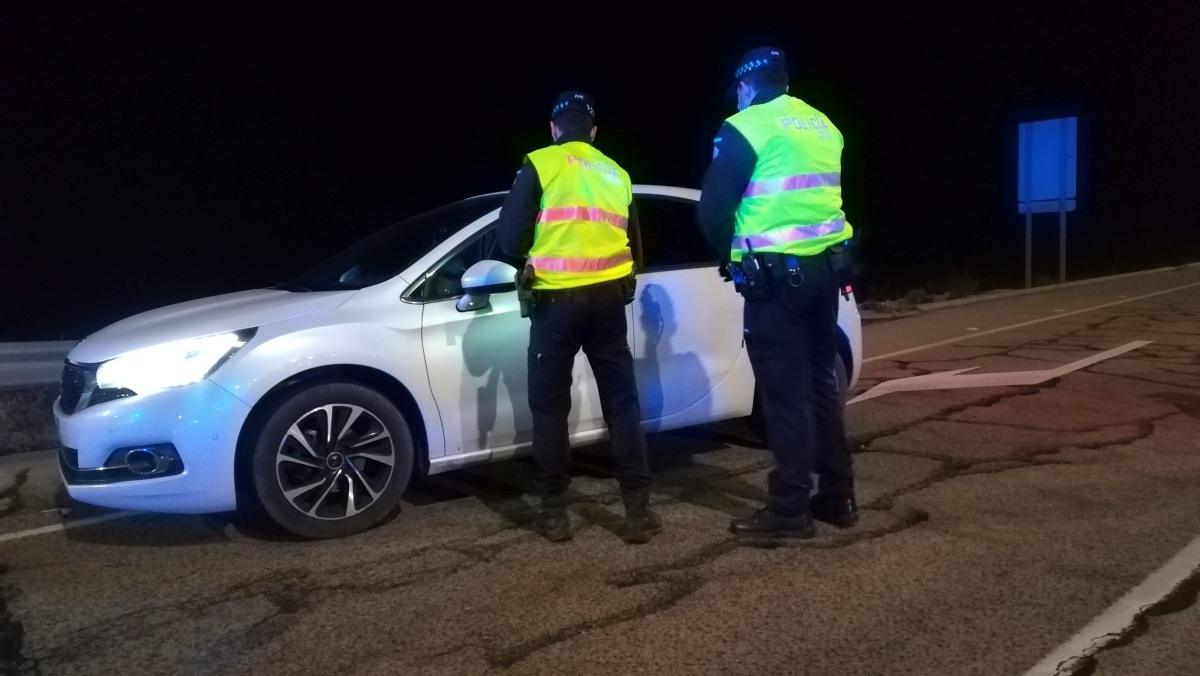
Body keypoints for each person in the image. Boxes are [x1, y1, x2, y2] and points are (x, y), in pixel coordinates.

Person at [697, 46, 859, 537]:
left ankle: (789, 509)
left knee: (785, 395)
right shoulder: (824, 125)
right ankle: (839, 496)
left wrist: (733, 252)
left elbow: (712, 212)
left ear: (747, 86)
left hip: (775, 282)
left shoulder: (746, 126)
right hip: (824, 273)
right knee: (821, 387)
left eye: (739, 92)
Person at [497, 90, 660, 545]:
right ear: (593, 132)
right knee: (622, 406)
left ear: (553, 129)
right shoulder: (617, 173)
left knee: (550, 410)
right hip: (608, 302)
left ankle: (555, 515)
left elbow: (509, 240)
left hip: (556, 306)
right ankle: (638, 514)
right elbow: (636, 250)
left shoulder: (543, 162)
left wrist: (535, 251)